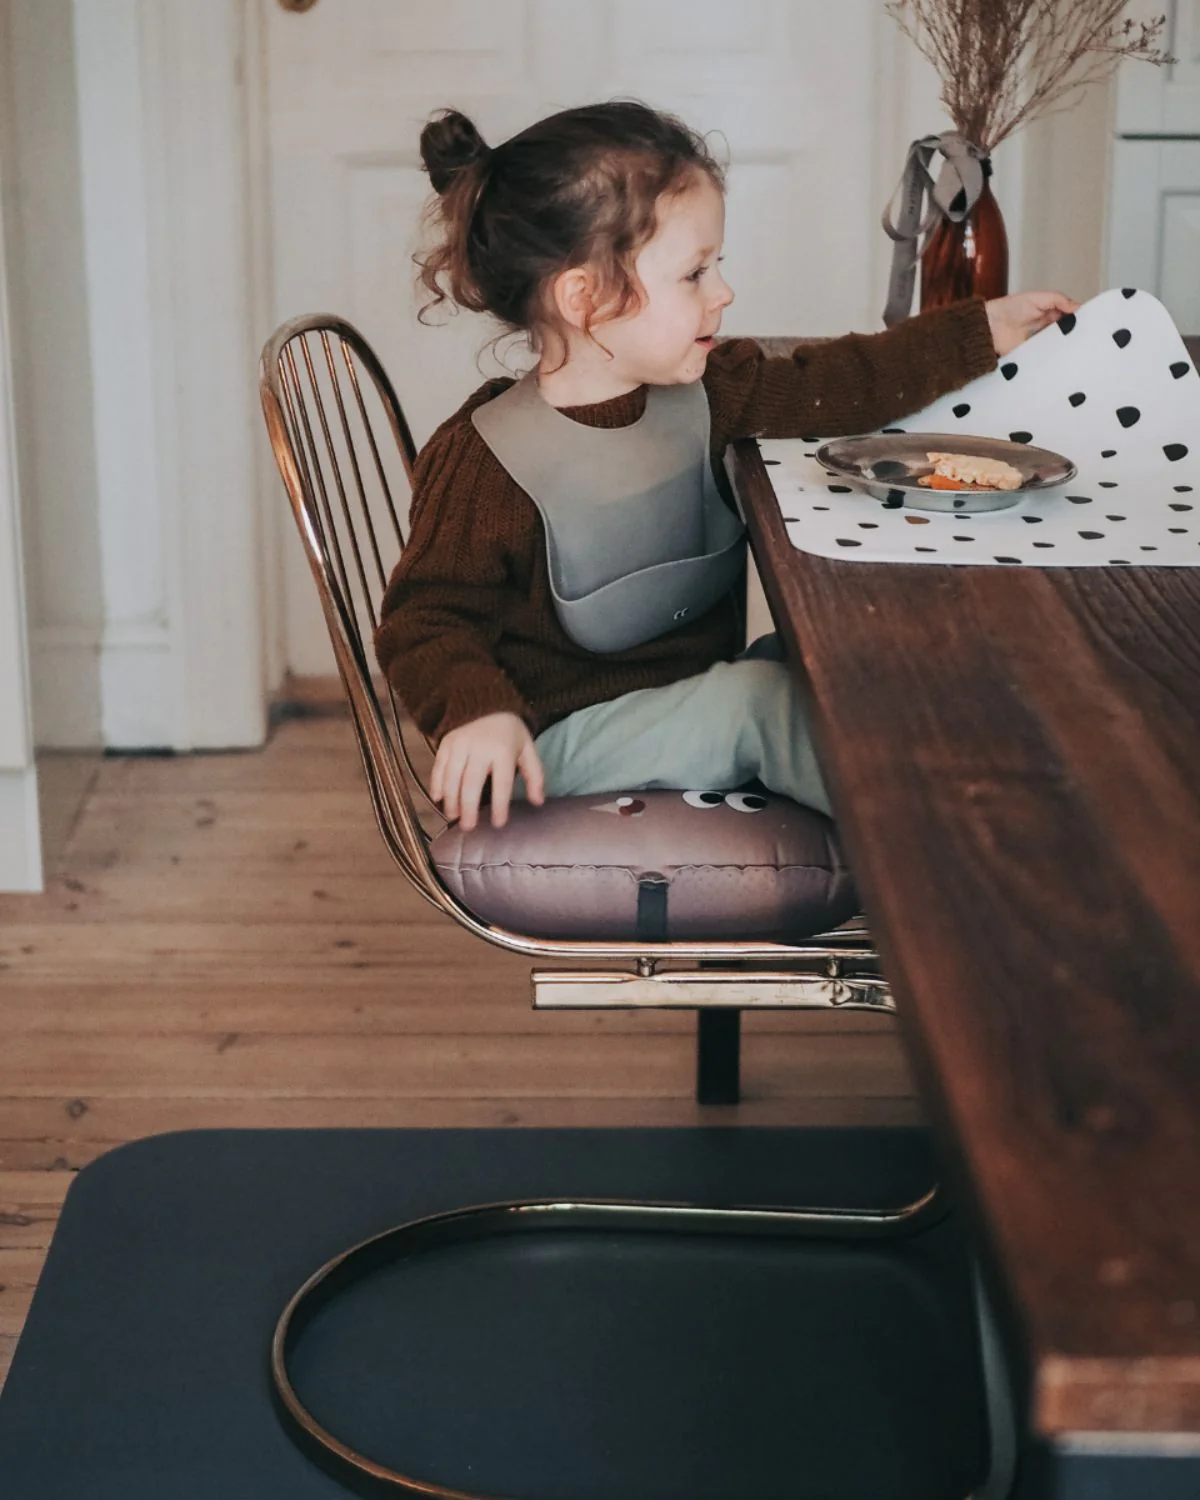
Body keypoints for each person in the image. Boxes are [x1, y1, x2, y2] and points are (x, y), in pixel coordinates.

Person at [374, 101, 1076, 831]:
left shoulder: (713, 393)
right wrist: (477, 712)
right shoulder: (486, 458)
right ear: (585, 297)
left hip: (687, 699)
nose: (724, 292)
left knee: (838, 656)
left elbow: (838, 381)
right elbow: (425, 617)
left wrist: (982, 328)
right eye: (694, 273)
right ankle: (946, 844)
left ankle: (1012, 786)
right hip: (547, 741)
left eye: (717, 267)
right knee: (757, 708)